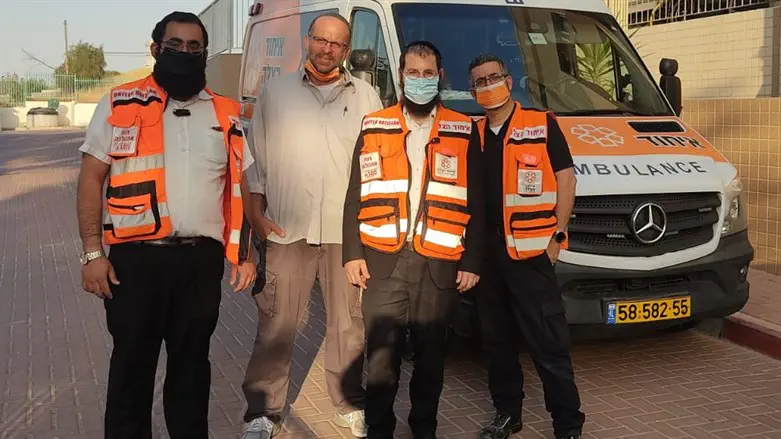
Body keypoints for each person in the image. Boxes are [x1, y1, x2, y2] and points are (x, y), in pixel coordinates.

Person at [76, 11, 258, 439]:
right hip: (135, 263)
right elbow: (90, 178)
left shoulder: (226, 111)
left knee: (192, 368)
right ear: (155, 49)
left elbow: (240, 184)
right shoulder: (119, 102)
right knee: (131, 368)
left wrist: (245, 253)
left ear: (205, 54)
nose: (184, 54)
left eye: (195, 48)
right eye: (174, 45)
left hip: (200, 263)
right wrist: (91, 253)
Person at [240, 12, 383, 439]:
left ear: (346, 49)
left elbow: (376, 165)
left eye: (337, 44)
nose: (327, 50)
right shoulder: (276, 92)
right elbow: (255, 162)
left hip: (346, 234)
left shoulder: (366, 96)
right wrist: (258, 217)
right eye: (321, 40)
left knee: (348, 323)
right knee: (277, 324)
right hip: (288, 228)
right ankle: (263, 412)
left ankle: (348, 404)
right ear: (307, 40)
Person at [342, 40, 486, 439]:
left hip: (439, 262)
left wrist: (473, 261)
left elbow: (479, 198)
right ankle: (379, 429)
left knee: (431, 358)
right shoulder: (375, 124)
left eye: (427, 74)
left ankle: (424, 428)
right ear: (401, 75)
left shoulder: (463, 128)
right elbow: (355, 192)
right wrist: (352, 254)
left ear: (439, 77)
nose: (420, 80)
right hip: (383, 259)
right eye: (412, 72)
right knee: (382, 357)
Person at [467, 54, 585, 439]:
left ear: (509, 80)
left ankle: (567, 425)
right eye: (479, 82)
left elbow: (566, 180)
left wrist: (558, 237)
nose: (487, 85)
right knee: (497, 342)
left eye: (493, 78)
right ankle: (507, 413)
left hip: (533, 256)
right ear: (472, 91)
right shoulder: (475, 134)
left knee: (548, 345)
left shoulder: (540, 123)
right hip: (489, 258)